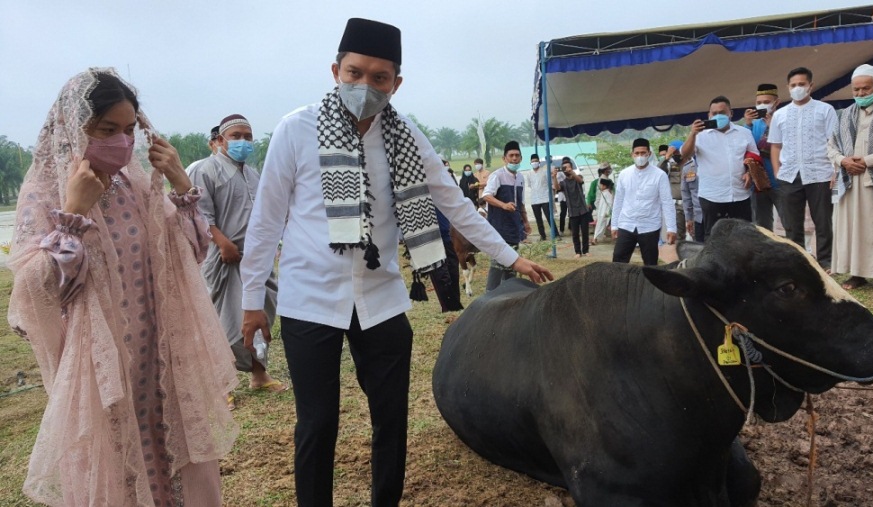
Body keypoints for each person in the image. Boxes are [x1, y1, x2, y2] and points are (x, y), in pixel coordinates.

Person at [238, 19, 552, 507]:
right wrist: (252, 301)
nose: (365, 86)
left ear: (395, 83)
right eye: (355, 73)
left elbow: (455, 204)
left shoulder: (406, 136)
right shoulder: (295, 129)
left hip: (381, 298)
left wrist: (513, 258)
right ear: (335, 70)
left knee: (391, 418)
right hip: (309, 300)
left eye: (379, 78)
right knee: (317, 423)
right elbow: (264, 222)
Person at [7, 68, 237, 506]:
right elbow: (32, 296)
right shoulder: (46, 194)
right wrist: (73, 213)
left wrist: (181, 185)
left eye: (130, 129)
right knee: (119, 473)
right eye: (107, 130)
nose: (122, 141)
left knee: (174, 462)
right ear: (75, 130)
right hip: (103, 370)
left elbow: (191, 252)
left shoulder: (136, 185)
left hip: (160, 357)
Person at [190, 114, 283, 410]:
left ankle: (259, 374)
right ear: (219, 140)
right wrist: (221, 242)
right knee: (224, 321)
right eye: (236, 136)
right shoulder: (206, 170)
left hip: (256, 258)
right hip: (223, 257)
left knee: (262, 313)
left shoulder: (253, 174)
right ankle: (222, 384)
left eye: (247, 136)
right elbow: (198, 214)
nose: (243, 141)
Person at [828, 64, 873, 294]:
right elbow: (830, 146)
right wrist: (842, 161)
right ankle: (857, 273)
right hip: (850, 179)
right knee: (853, 227)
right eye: (856, 90)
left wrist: (867, 161)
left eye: (865, 89)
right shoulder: (844, 114)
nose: (860, 94)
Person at [769, 67, 838, 270]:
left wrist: (835, 170)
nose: (797, 88)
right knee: (792, 223)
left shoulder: (825, 110)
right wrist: (776, 170)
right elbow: (775, 145)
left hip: (820, 172)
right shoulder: (780, 114)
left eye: (801, 84)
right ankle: (799, 263)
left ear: (811, 86)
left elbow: (834, 142)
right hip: (789, 174)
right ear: (788, 88)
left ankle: (826, 261)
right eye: (793, 85)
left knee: (823, 221)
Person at [680, 96, 758, 237]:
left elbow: (753, 155)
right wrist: (692, 134)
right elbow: (685, 154)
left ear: (730, 114)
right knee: (714, 238)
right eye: (714, 113)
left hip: (740, 194)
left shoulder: (744, 133)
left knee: (743, 237)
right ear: (709, 115)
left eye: (722, 112)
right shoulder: (700, 135)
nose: (718, 116)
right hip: (712, 197)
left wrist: (749, 172)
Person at [611, 138, 677, 265]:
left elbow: (667, 202)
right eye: (637, 153)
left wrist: (671, 228)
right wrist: (614, 225)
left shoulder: (659, 175)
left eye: (643, 153)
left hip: (650, 225)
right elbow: (618, 201)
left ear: (649, 154)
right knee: (618, 261)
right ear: (632, 154)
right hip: (626, 224)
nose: (640, 156)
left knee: (651, 263)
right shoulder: (624, 174)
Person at [484, 140, 533, 288]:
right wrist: (503, 205)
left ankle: (509, 292)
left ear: (521, 158)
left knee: (513, 263)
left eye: (517, 155)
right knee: (498, 264)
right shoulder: (497, 176)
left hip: (514, 227)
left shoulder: (520, 178)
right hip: (499, 227)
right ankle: (490, 294)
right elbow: (486, 196)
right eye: (511, 155)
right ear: (504, 158)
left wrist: (525, 221)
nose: (514, 158)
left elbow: (521, 203)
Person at [741, 83, 783, 231]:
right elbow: (746, 146)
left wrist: (773, 126)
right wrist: (747, 124)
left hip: (780, 181)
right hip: (759, 182)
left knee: (788, 221)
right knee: (761, 225)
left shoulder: (783, 119)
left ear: (776, 102)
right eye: (759, 103)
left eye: (766, 102)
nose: (762, 105)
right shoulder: (755, 124)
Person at [553, 159, 591, 257]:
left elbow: (580, 181)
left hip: (583, 209)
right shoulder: (563, 182)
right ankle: (577, 252)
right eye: (564, 168)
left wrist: (572, 173)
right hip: (572, 211)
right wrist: (554, 177)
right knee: (575, 234)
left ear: (571, 167)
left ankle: (586, 250)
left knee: (585, 232)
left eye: (568, 167)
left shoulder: (577, 177)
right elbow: (557, 188)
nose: (566, 170)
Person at [676, 141, 705, 242]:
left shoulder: (716, 165)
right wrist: (689, 218)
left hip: (716, 214)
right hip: (699, 217)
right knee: (700, 247)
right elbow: (686, 194)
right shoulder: (688, 168)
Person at [658, 145, 687, 240]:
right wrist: (667, 157)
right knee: (679, 235)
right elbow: (658, 172)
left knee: (696, 234)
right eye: (674, 153)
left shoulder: (691, 164)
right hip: (677, 206)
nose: (677, 155)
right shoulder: (669, 165)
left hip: (692, 205)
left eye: (679, 153)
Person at [526, 153, 555, 240]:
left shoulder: (544, 171)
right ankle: (542, 235)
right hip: (534, 199)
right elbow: (530, 185)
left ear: (539, 162)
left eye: (535, 161)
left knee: (549, 217)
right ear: (530, 163)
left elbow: (549, 183)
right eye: (532, 161)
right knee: (538, 219)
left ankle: (555, 233)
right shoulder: (529, 173)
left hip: (545, 198)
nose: (534, 163)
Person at [592, 177, 614, 244]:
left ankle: (595, 239)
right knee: (599, 226)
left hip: (604, 213)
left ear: (605, 186)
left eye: (601, 185)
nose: (600, 186)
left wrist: (607, 213)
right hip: (601, 212)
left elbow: (610, 204)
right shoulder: (604, 192)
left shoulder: (607, 193)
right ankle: (595, 238)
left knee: (601, 226)